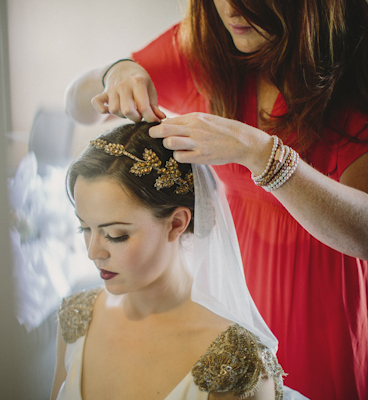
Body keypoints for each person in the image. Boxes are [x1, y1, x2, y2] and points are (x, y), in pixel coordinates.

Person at [64, 1, 368, 399]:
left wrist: (262, 154)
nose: (230, 9)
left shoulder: (354, 61)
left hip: (323, 298)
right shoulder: (202, 46)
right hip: (230, 271)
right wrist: (116, 71)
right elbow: (77, 105)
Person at [50, 121, 299, 400]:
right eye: (84, 228)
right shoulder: (76, 318)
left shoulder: (234, 364)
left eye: (115, 235)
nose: (93, 252)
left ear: (176, 223)